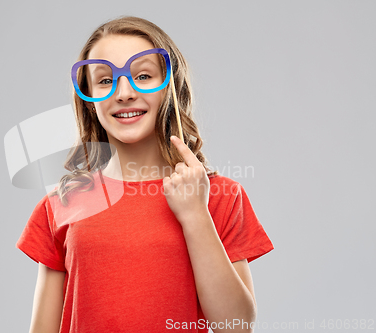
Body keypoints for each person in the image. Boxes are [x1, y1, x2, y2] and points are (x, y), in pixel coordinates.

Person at [16, 16, 274, 333]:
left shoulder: (218, 195)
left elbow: (235, 328)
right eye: (105, 80)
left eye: (143, 75)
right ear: (88, 99)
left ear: (169, 86)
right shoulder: (62, 203)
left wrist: (195, 214)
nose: (124, 92)